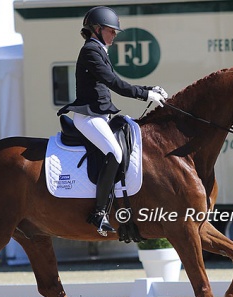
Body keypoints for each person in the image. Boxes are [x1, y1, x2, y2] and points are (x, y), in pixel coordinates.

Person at [58, 6, 168, 236]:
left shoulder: (98, 50)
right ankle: (98, 213)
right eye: (111, 30)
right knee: (115, 153)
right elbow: (114, 83)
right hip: (88, 118)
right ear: (96, 29)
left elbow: (116, 81)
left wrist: (148, 88)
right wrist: (144, 95)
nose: (115, 35)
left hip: (99, 116)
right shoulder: (90, 51)